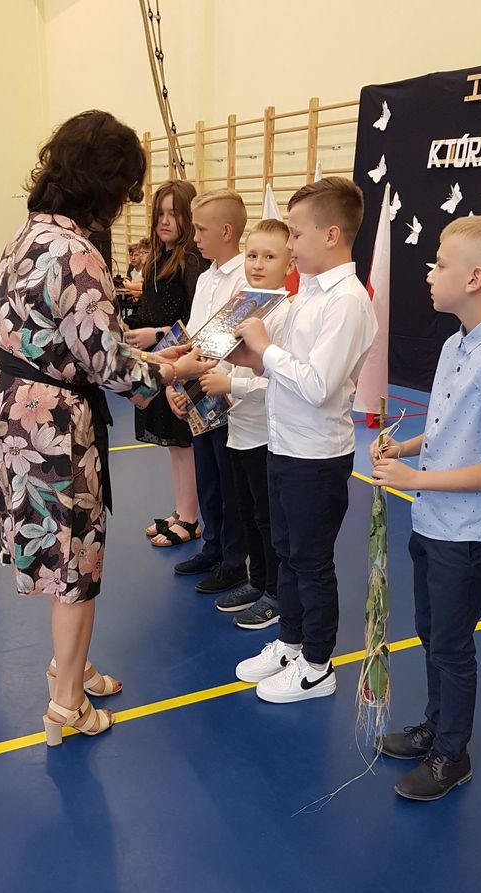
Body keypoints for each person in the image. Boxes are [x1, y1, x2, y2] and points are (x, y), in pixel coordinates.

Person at [0, 111, 215, 744]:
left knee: (60, 551)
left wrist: (150, 356)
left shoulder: (30, 234)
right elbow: (109, 366)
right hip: (55, 425)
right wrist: (170, 370)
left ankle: (70, 665)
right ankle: (66, 703)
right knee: (76, 562)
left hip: (16, 408)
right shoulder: (78, 252)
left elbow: (68, 339)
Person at [371, 215, 481, 800]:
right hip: (433, 518)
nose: (429, 272)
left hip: (465, 531)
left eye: (440, 263)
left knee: (451, 644)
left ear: (473, 278)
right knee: (431, 632)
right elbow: (452, 430)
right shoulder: (456, 343)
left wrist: (415, 477)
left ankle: (452, 753)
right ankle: (435, 725)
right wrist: (408, 447)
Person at [232, 177, 377, 701]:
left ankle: (317, 664)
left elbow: (317, 386)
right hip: (284, 445)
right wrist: (240, 352)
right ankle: (290, 643)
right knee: (286, 553)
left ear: (331, 234)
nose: (290, 245)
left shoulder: (348, 302)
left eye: (296, 234)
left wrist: (264, 346)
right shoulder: (307, 295)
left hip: (316, 456)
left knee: (312, 562)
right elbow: (281, 369)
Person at [198, 218, 294, 629]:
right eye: (252, 255)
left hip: (266, 435)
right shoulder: (243, 304)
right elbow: (221, 355)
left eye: (270, 256)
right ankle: (257, 581)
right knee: (248, 512)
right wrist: (203, 379)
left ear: (290, 263)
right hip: (238, 430)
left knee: (269, 518)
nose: (257, 263)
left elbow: (278, 380)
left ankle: (276, 592)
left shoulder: (285, 313)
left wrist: (230, 384)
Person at [170, 189, 249, 594]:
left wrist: (216, 380)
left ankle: (235, 560)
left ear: (226, 231)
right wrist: (179, 386)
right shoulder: (205, 278)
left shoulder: (245, 278)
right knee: (208, 478)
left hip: (229, 397)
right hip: (201, 393)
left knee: (230, 482)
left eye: (201, 230)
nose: (195, 237)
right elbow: (195, 339)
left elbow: (238, 343)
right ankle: (213, 546)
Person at [124, 181, 208, 547]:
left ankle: (190, 517)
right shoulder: (159, 259)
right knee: (174, 445)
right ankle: (181, 507)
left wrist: (156, 334)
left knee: (183, 441)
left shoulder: (192, 262)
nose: (164, 221)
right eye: (160, 213)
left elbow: (197, 319)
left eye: (173, 214)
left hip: (179, 360)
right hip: (159, 361)